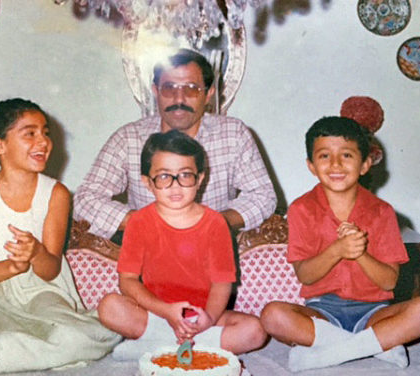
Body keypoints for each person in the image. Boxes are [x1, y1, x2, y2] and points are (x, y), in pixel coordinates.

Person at [260, 116, 420, 372]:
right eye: (324, 156)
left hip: (374, 313)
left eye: (346, 155)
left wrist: (359, 254)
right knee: (272, 315)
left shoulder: (382, 212)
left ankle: (331, 353)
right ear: (311, 165)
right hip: (323, 312)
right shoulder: (301, 209)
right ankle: (376, 345)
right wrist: (337, 250)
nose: (335, 164)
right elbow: (305, 275)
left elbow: (389, 282)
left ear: (365, 164)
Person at [0, 98, 120, 376]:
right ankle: (24, 353)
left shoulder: (56, 194)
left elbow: (51, 270)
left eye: (45, 132)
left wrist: (35, 253)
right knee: (1, 343)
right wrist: (11, 267)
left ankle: (39, 352)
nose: (43, 141)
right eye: (30, 133)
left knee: (71, 336)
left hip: (43, 292)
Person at [97, 130, 268, 360]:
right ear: (147, 182)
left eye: (185, 175)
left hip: (201, 315)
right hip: (156, 313)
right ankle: (187, 346)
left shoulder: (216, 224)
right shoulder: (138, 222)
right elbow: (127, 282)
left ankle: (159, 346)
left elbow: (221, 285)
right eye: (164, 176)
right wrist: (167, 312)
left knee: (255, 331)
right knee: (109, 307)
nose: (176, 186)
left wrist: (207, 319)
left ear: (200, 179)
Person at [74, 48, 276, 240]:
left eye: (191, 89)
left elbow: (263, 196)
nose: (179, 99)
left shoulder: (233, 134)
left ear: (208, 94)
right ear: (155, 91)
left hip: (213, 247)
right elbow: (85, 199)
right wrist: (143, 221)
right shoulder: (129, 138)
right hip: (150, 250)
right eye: (169, 88)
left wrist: (214, 222)